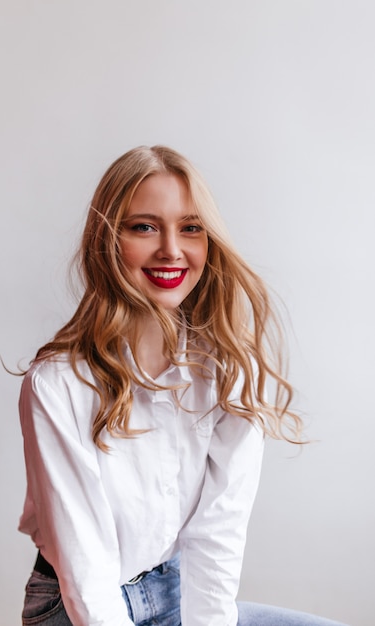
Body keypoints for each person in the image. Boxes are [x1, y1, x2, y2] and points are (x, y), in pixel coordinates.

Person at [18, 145, 347, 626]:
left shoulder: (230, 368)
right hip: (75, 606)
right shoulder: (59, 383)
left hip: (179, 590)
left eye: (190, 227)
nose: (172, 248)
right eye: (144, 226)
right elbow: (86, 573)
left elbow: (217, 533)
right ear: (107, 240)